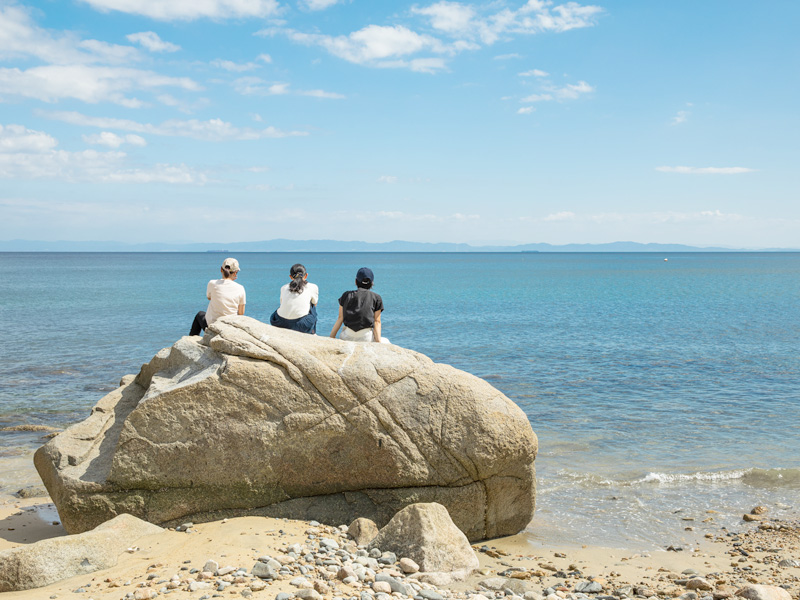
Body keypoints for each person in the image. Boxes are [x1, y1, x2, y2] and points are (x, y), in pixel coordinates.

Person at [330, 267, 388, 343]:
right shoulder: (376, 298)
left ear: (356, 281)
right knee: (386, 341)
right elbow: (377, 322)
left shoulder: (346, 295)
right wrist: (378, 342)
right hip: (366, 337)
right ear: (372, 283)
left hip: (347, 336)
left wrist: (331, 337)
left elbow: (340, 318)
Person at [189, 257, 246, 336]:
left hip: (212, 325)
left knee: (200, 314)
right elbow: (241, 313)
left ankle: (193, 338)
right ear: (235, 272)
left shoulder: (212, 283)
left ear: (221, 269)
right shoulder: (240, 288)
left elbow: (209, 297)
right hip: (229, 326)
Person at [269, 263, 319, 334]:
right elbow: (315, 304)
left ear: (290, 277)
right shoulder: (313, 287)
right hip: (301, 325)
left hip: (280, 323)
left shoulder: (283, 287)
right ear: (306, 275)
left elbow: (281, 303)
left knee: (279, 309)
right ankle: (312, 332)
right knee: (312, 306)